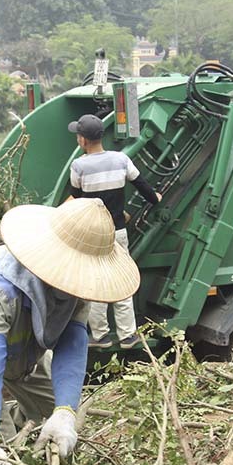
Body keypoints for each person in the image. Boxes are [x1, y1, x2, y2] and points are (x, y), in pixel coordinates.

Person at [0, 198, 140, 465]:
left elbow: (71, 345)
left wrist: (64, 411)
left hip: (22, 345)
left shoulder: (78, 286)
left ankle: (27, 434)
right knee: (3, 448)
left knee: (57, 426)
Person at [67, 113, 161, 349]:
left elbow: (76, 197)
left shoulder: (79, 166)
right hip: (118, 232)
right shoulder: (121, 160)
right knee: (121, 279)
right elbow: (142, 185)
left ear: (82, 140)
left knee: (94, 283)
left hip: (93, 235)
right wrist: (155, 198)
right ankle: (128, 336)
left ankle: (100, 337)